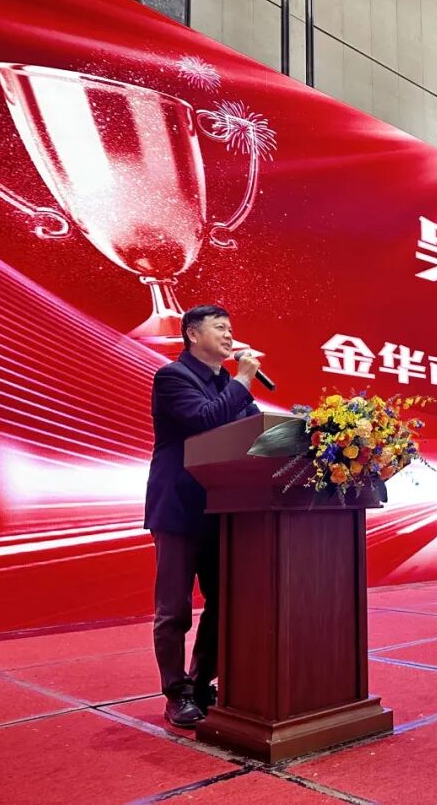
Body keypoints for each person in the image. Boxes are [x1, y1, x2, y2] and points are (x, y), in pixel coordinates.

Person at [144, 305, 262, 728]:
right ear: (193, 334)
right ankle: (175, 692)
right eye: (220, 328)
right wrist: (244, 380)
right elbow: (202, 420)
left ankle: (199, 682)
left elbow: (254, 430)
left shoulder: (227, 384)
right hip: (179, 507)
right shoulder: (172, 377)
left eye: (231, 328)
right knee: (174, 608)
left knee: (224, 602)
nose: (230, 335)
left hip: (222, 507)